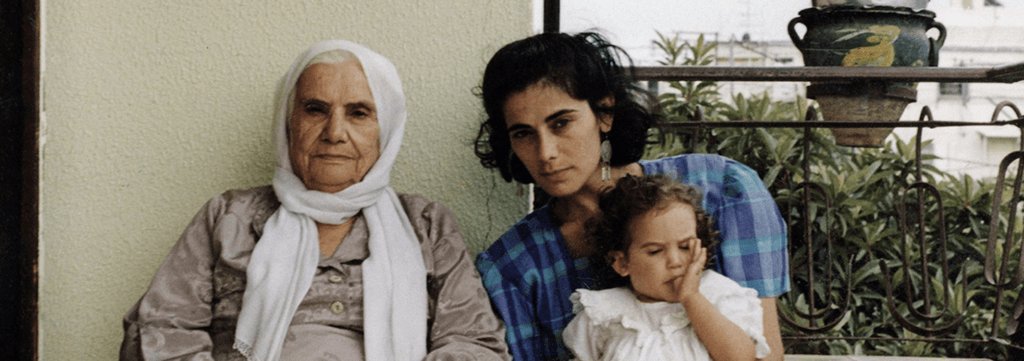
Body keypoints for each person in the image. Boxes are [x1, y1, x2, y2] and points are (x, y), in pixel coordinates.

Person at [120, 40, 510, 361]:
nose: (334, 132)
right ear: (288, 124)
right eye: (315, 110)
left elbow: (473, 342)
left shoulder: (425, 225)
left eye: (358, 113)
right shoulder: (229, 217)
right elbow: (163, 329)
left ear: (385, 130)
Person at [473, 32, 788, 361]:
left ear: (604, 113)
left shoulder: (724, 190)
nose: (545, 152)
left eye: (561, 123)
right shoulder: (514, 267)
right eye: (523, 133)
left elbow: (763, 355)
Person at [562, 174, 769, 361]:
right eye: (655, 251)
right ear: (622, 263)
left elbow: (741, 357)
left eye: (685, 246)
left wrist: (692, 298)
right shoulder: (604, 313)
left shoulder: (717, 295)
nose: (675, 261)